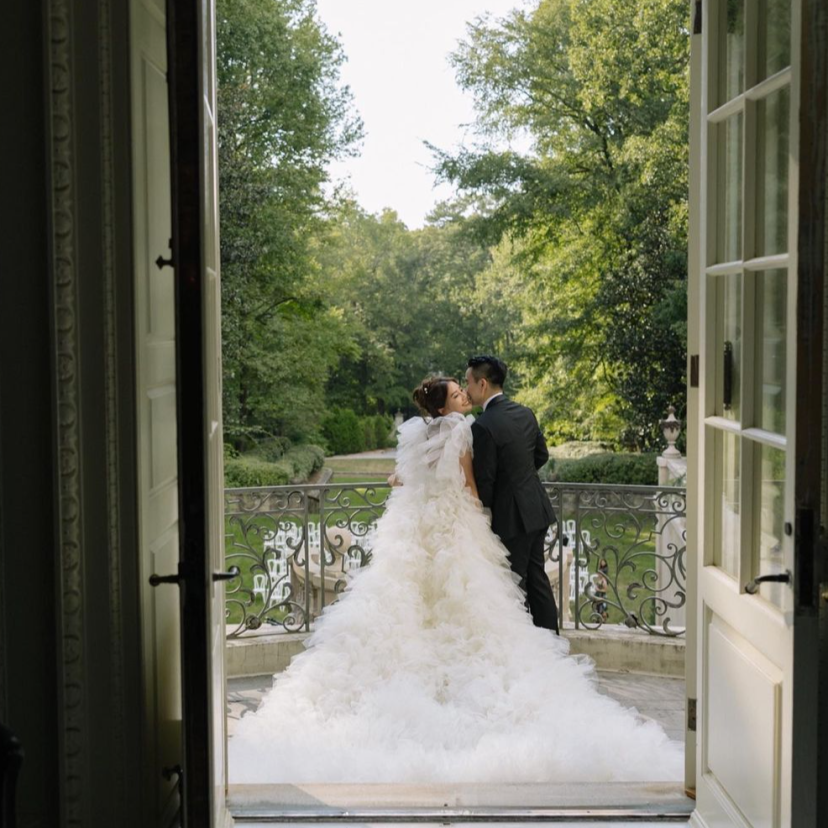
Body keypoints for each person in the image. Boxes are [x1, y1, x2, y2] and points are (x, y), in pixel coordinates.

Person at [228, 375, 683, 784]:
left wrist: (407, 482)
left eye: (464, 388)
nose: (465, 394)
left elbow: (402, 476)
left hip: (417, 523)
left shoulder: (418, 431)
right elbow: (467, 484)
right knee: (468, 593)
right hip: (451, 522)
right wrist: (483, 512)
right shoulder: (462, 430)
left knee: (405, 595)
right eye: (457, 392)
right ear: (446, 406)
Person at [465, 355, 558, 632]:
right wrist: (521, 480)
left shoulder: (482, 426)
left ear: (482, 384)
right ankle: (551, 643)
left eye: (468, 382)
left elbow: (486, 482)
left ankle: (523, 650)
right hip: (536, 509)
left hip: (511, 518)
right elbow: (541, 455)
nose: (466, 388)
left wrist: (486, 515)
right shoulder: (525, 412)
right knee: (536, 579)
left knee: (512, 586)